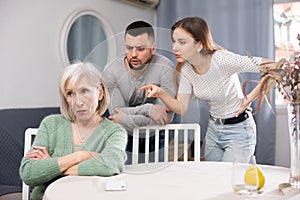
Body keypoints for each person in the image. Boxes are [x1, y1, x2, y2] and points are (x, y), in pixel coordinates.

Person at [140, 16, 277, 162]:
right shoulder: (186, 69)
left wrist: (250, 98)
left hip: (239, 130)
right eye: (173, 41)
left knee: (230, 180)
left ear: (199, 44)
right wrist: (160, 93)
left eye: (182, 42)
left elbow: (276, 67)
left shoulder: (222, 60)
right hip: (213, 130)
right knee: (212, 178)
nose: (175, 47)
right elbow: (181, 107)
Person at [19, 62, 127, 200]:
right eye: (70, 94)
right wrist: (81, 156)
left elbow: (112, 164)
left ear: (100, 93)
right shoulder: (51, 124)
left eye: (84, 91)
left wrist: (52, 167)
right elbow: (28, 173)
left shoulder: (115, 131)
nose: (78, 102)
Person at [103, 20, 176, 163]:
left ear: (153, 49)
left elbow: (164, 118)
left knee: (157, 181)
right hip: (124, 135)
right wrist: (149, 109)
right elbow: (115, 116)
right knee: (126, 180)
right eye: (129, 48)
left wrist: (125, 118)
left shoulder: (166, 67)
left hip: (155, 135)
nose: (133, 54)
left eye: (141, 49)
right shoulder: (111, 71)